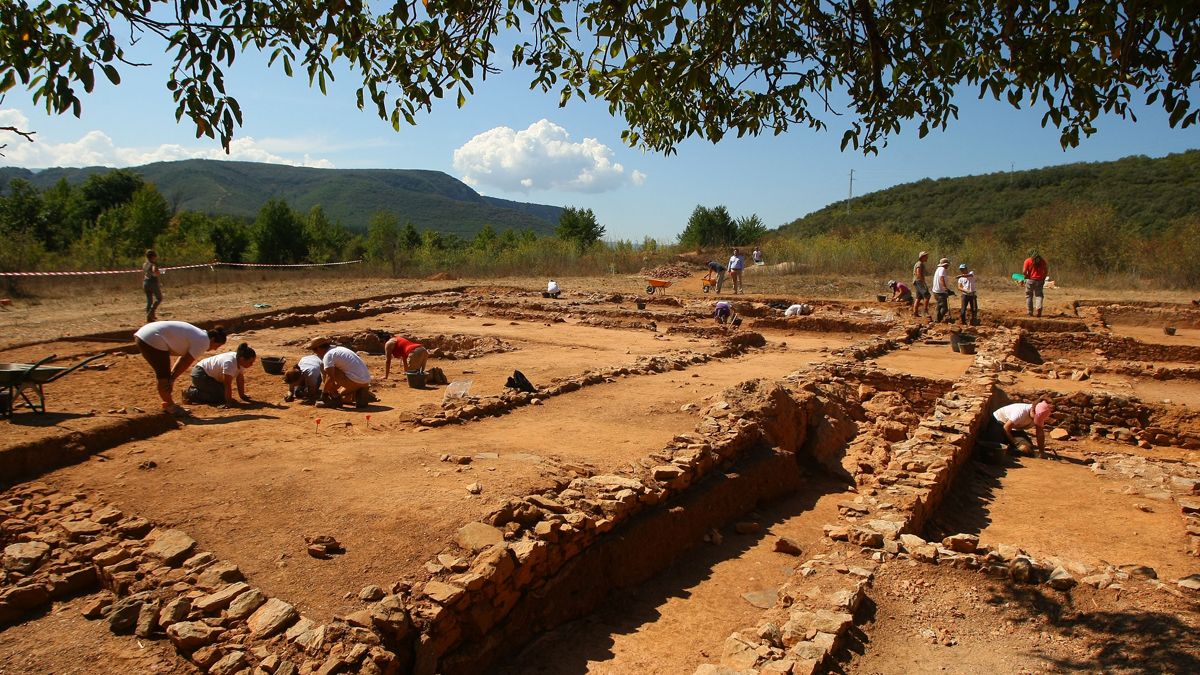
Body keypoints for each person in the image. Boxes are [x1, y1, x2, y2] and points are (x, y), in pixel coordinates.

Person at [134, 321, 226, 415]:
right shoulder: (204, 341)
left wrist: (172, 377)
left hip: (144, 334)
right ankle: (170, 407)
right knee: (163, 377)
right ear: (213, 340)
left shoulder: (200, 335)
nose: (215, 349)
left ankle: (169, 404)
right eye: (217, 346)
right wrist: (172, 378)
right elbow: (186, 362)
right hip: (153, 338)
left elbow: (183, 359)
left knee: (165, 376)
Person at [184, 343, 256, 407]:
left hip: (211, 376)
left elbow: (240, 379)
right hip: (200, 375)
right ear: (242, 359)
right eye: (250, 362)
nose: (251, 364)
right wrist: (228, 402)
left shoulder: (240, 360)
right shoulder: (230, 363)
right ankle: (190, 393)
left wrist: (242, 396)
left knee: (222, 394)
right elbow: (227, 384)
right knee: (218, 397)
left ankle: (201, 390)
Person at [308, 337, 372, 409]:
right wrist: (333, 388)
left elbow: (330, 377)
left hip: (354, 381)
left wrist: (324, 395)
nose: (315, 353)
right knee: (341, 393)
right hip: (365, 381)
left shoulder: (328, 355)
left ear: (319, 348)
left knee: (323, 366)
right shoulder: (339, 349)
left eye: (314, 350)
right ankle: (360, 392)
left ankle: (336, 399)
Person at [987, 399, 1054, 457]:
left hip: (1014, 429)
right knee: (995, 444)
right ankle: (1007, 445)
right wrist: (1017, 444)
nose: (1035, 420)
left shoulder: (1040, 416)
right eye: (1036, 417)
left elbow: (1040, 433)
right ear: (1033, 410)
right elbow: (1006, 428)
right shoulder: (1021, 412)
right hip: (999, 423)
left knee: (1028, 449)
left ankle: (1009, 446)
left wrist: (1041, 452)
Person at [1022, 250, 1049, 317]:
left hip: (1030, 280)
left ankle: (1029, 312)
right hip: (1040, 281)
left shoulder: (1027, 261)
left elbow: (1024, 271)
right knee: (1039, 295)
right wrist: (1043, 278)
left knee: (1029, 296)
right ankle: (1038, 309)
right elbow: (1046, 271)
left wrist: (1026, 277)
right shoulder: (1043, 261)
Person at [143, 249, 163, 322]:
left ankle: (149, 317)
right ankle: (150, 313)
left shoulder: (145, 264)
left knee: (149, 301)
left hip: (145, 283)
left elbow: (146, 272)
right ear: (153, 256)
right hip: (152, 283)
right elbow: (155, 273)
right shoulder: (153, 264)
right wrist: (160, 272)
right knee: (159, 298)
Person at [931, 257, 951, 323]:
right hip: (940, 292)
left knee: (939, 305)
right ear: (945, 264)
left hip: (936, 291)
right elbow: (941, 279)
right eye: (947, 264)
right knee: (944, 308)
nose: (948, 266)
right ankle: (938, 320)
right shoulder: (942, 269)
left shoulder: (938, 269)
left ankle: (936, 319)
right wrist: (945, 288)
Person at [911, 251, 931, 317]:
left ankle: (915, 313)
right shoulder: (919, 264)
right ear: (922, 257)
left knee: (918, 297)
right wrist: (923, 282)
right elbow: (918, 273)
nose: (927, 257)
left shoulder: (919, 263)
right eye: (926, 256)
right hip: (919, 281)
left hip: (917, 281)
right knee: (927, 295)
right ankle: (925, 311)